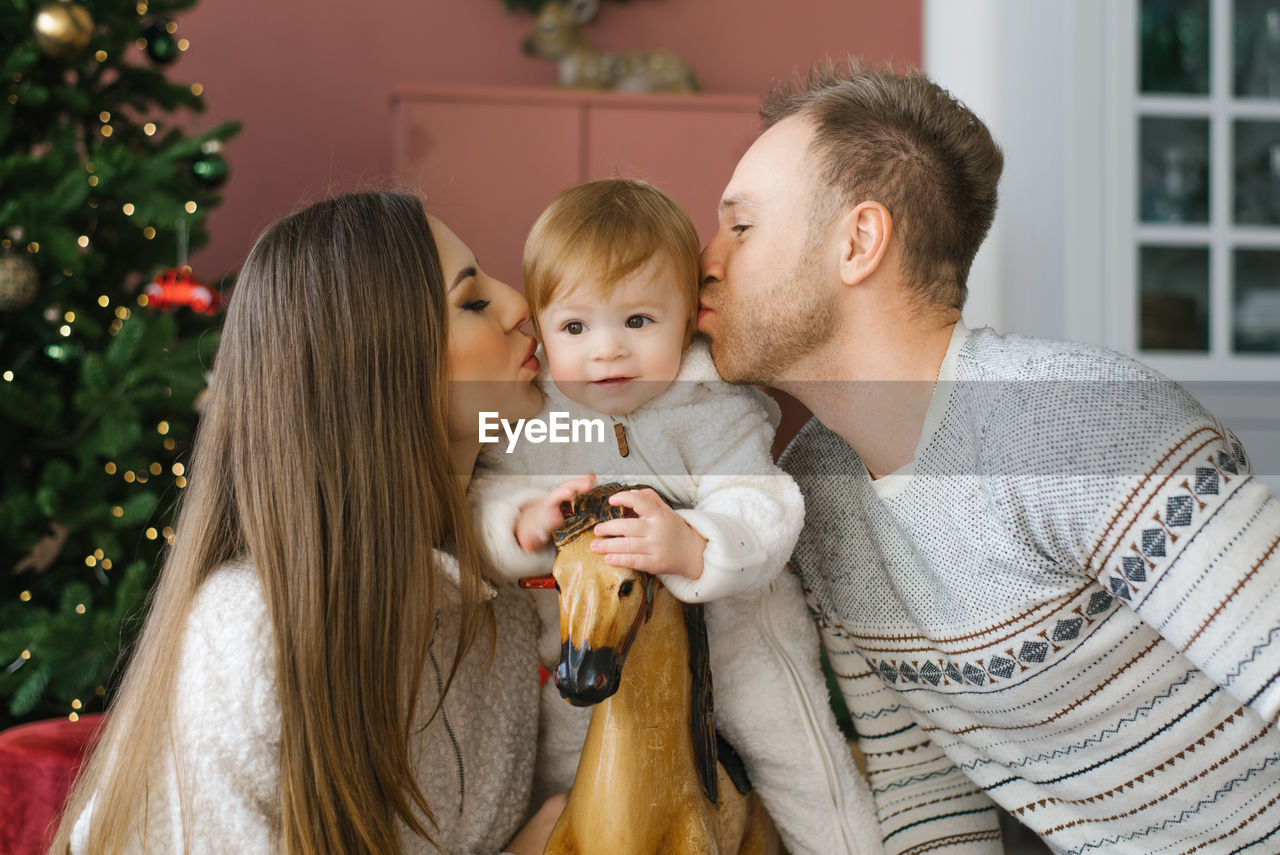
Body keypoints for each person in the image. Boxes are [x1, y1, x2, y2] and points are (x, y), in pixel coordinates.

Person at [697, 58, 1280, 855]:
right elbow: (926, 804)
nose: (706, 258)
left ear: (860, 241)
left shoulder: (1072, 423)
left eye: (740, 225)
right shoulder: (816, 495)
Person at [49, 192, 566, 855]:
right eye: (470, 301)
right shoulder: (247, 629)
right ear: (374, 371)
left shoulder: (503, 598)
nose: (521, 304)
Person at [467, 178, 883, 855]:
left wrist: (695, 543)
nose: (607, 351)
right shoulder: (535, 418)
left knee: (804, 766)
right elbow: (482, 499)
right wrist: (521, 524)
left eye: (637, 321)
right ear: (540, 327)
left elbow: (766, 503)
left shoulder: (711, 403)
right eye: (575, 327)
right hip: (594, 658)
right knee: (560, 783)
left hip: (739, 644)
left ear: (687, 315)